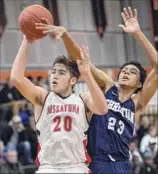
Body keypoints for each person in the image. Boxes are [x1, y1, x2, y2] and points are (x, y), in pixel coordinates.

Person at [36, 6, 158, 174]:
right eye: (124, 70)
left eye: (132, 72)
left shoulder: (137, 103)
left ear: (139, 84)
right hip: (98, 161)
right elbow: (80, 59)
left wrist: (137, 33)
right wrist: (65, 35)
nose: (126, 73)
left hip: (123, 163)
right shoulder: (108, 86)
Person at [10, 34, 108, 172]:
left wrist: (87, 75)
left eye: (61, 73)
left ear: (72, 80)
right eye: (53, 72)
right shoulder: (42, 97)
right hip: (49, 167)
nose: (55, 75)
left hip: (76, 166)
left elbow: (103, 109)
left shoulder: (83, 99)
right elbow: (16, 78)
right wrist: (26, 42)